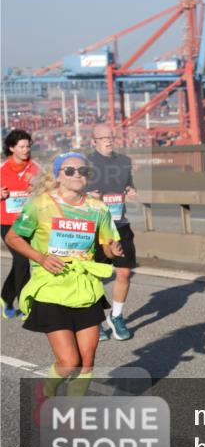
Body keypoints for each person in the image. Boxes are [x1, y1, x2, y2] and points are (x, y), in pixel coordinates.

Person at [4, 152, 122, 412]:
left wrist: (114, 250)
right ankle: (46, 393)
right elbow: (13, 237)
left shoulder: (97, 208)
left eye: (83, 171)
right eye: (69, 171)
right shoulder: (40, 205)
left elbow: (107, 244)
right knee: (69, 362)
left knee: (87, 360)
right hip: (52, 288)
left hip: (85, 288)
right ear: (57, 175)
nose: (77, 175)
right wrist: (41, 258)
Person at [87, 124, 138, 341]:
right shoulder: (85, 164)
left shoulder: (124, 161)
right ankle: (95, 318)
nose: (108, 140)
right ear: (94, 141)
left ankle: (116, 317)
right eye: (103, 137)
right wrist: (90, 196)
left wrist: (131, 190)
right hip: (96, 228)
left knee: (124, 272)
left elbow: (128, 185)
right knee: (96, 275)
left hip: (120, 225)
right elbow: (73, 193)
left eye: (111, 137)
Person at [1, 129, 40, 319]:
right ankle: (26, 306)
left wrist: (37, 187)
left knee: (21, 262)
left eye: (28, 146)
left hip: (29, 221)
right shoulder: (1, 169)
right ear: (11, 148)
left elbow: (47, 190)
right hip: (7, 223)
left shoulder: (35, 168)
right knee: (22, 260)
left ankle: (5, 298)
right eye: (22, 146)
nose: (26, 150)